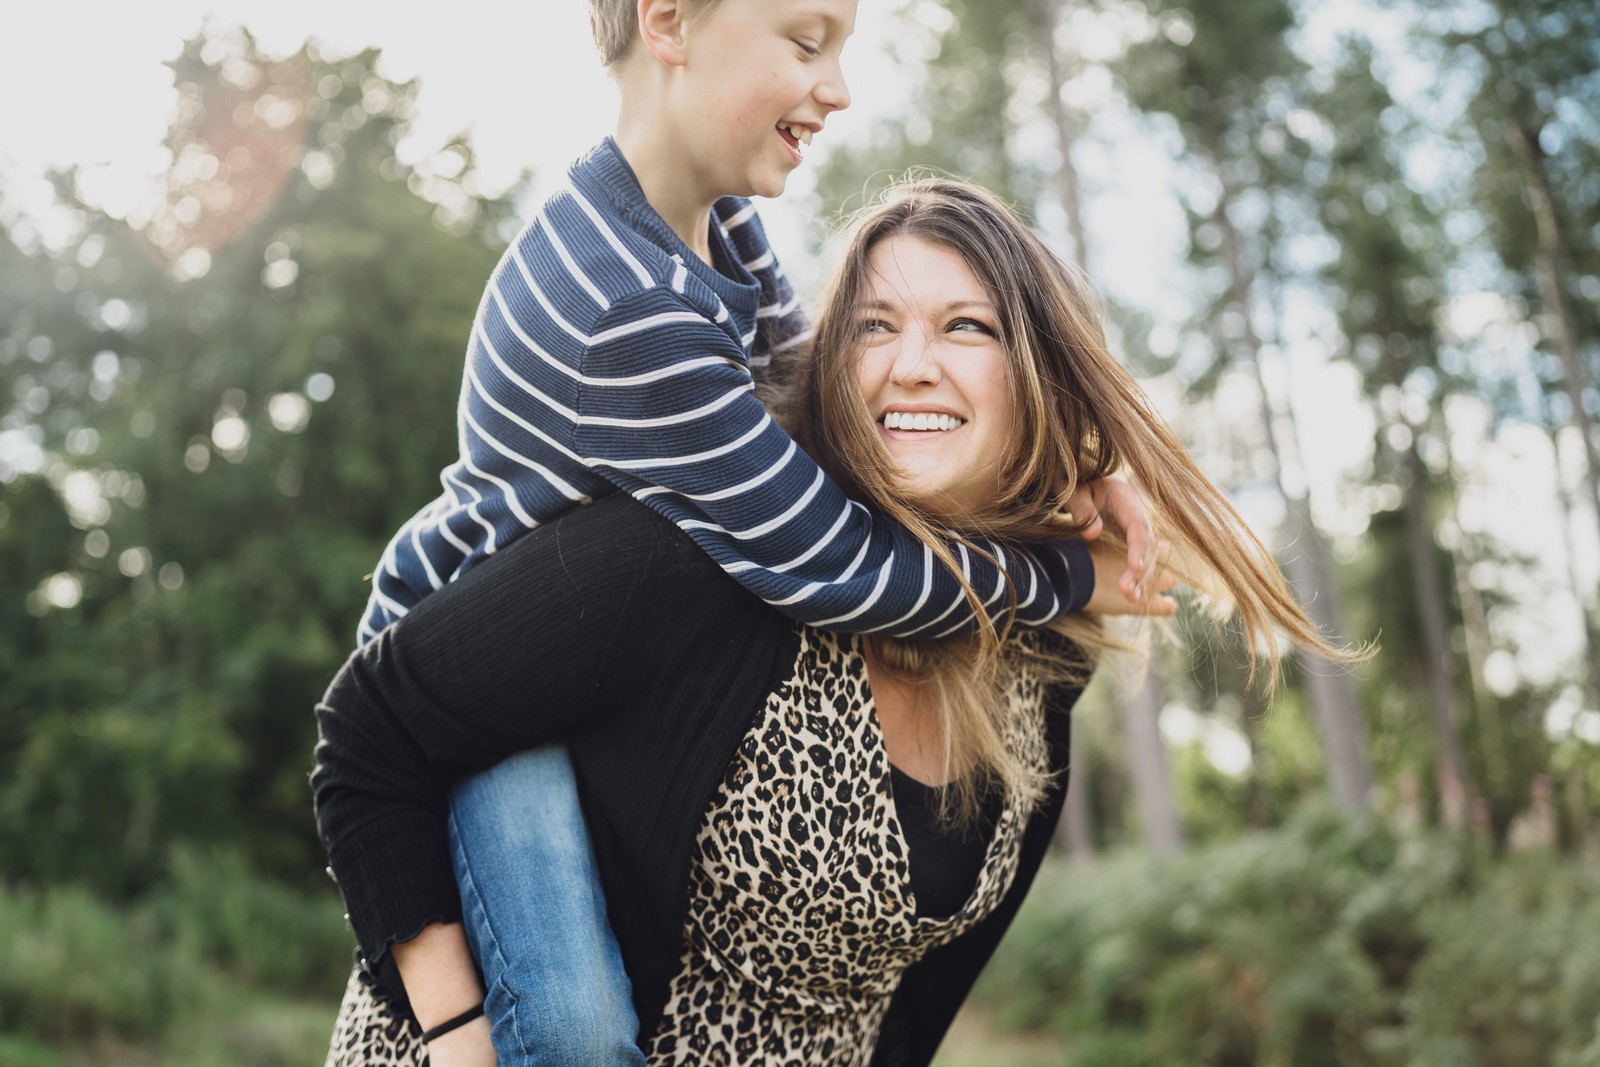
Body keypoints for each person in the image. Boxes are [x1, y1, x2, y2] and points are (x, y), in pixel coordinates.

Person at [313, 178, 1359, 1066]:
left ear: (1034, 375)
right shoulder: (701, 557)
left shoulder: (1037, 658)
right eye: (874, 326)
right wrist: (453, 1027)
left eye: (966, 326)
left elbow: (912, 1006)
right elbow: (372, 727)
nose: (911, 364)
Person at [334, 0, 1161, 1059]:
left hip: (557, 662)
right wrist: (1061, 570)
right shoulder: (624, 310)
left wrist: (1074, 464)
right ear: (669, 21)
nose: (839, 88)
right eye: (807, 43)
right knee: (575, 1031)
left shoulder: (716, 230)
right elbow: (842, 565)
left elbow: (826, 397)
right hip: (476, 710)